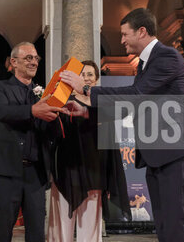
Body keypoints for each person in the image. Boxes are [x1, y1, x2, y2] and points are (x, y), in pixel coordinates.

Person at [60, 8, 184, 242]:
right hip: (158, 153)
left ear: (142, 31)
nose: (122, 40)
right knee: (163, 221)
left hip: (175, 150)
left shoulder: (166, 56)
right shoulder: (146, 64)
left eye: (125, 34)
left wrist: (85, 89)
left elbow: (135, 94)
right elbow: (132, 106)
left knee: (174, 220)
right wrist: (86, 112)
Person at [0, 42, 64, 242]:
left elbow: (52, 133)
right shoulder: (0, 87)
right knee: (3, 230)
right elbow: (2, 112)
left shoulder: (44, 94)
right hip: (6, 172)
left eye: (36, 58)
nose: (34, 62)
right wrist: (33, 111)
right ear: (13, 62)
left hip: (36, 174)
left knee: (37, 232)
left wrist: (60, 116)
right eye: (28, 58)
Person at [47, 60, 130, 242]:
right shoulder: (64, 102)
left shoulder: (105, 105)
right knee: (61, 226)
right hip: (67, 170)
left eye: (90, 74)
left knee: (90, 227)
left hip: (95, 171)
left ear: (97, 79)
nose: (86, 78)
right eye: (82, 74)